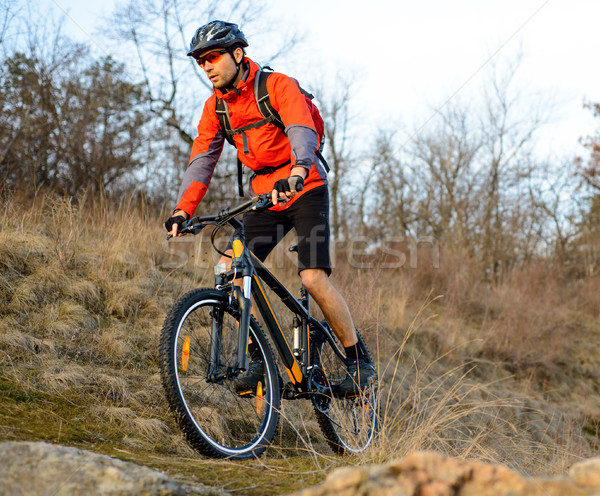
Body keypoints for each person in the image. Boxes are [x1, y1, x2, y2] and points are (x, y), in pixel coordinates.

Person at [164, 20, 375, 394]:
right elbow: (202, 160)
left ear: (238, 54)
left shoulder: (276, 86)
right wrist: (183, 210)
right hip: (266, 196)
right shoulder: (216, 108)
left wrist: (298, 170)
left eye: (212, 57)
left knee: (311, 277)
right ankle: (257, 360)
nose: (207, 66)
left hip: (304, 185)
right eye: (201, 62)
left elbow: (301, 128)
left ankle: (359, 361)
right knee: (230, 268)